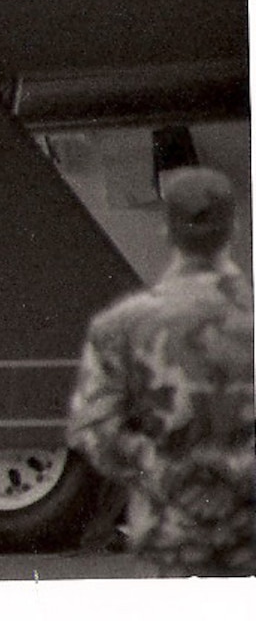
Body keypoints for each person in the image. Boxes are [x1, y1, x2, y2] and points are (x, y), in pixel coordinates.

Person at [66, 165, 254, 577]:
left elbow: (95, 430)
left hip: (170, 536)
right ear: (233, 228)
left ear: (166, 231)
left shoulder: (120, 326)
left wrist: (161, 469)